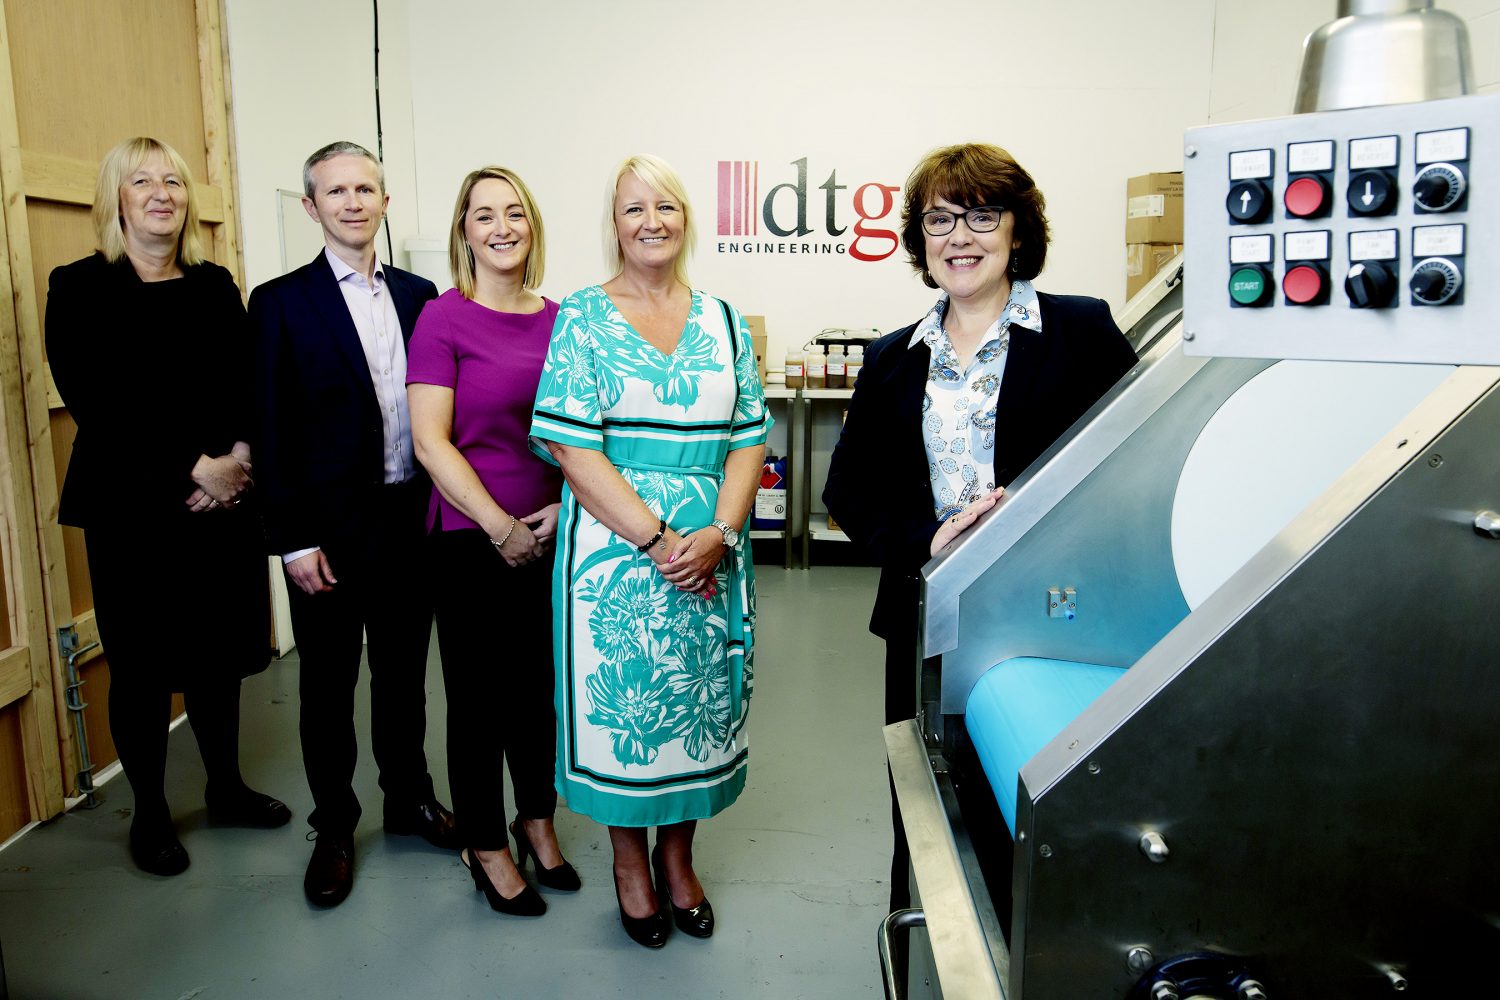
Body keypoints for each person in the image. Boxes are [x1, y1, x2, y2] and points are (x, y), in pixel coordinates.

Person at [823, 143, 1138, 915]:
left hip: (1053, 617)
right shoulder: (893, 358)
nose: (960, 236)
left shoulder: (1081, 330)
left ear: (1017, 232)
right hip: (929, 613)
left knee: (1030, 790)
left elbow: (1135, 459)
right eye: (940, 219)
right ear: (921, 241)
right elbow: (848, 490)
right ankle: (921, 940)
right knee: (924, 801)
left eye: (981, 215)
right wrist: (924, 541)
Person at [529, 154, 769, 948]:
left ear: (685, 218)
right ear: (615, 224)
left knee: (697, 713)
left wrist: (722, 532)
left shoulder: (726, 319)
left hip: (713, 551)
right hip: (616, 556)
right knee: (626, 721)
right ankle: (631, 870)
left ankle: (679, 862)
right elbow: (572, 449)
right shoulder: (583, 318)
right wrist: (662, 539)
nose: (651, 221)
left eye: (664, 205)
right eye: (634, 209)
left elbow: (746, 438)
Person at [46, 136, 289, 877]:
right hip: (132, 508)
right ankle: (149, 812)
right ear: (116, 198)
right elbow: (97, 400)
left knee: (216, 658)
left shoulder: (217, 285)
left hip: (222, 505)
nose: (161, 193)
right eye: (143, 180)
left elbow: (253, 381)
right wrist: (194, 466)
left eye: (174, 181)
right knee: (143, 666)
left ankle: (225, 787)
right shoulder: (79, 287)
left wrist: (240, 460)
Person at [249, 141, 457, 909]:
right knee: (327, 690)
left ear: (384, 200)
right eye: (335, 192)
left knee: (404, 678)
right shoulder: (278, 302)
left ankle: (409, 801)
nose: (352, 202)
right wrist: (292, 539)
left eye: (365, 188)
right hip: (328, 534)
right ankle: (335, 825)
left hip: (409, 518)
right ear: (312, 207)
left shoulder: (419, 292)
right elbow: (270, 428)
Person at [407, 167, 573, 917]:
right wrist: (500, 526)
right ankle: (486, 843)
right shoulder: (444, 319)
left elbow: (588, 437)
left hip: (555, 535)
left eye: (514, 213)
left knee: (539, 694)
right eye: (484, 216)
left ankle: (535, 818)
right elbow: (430, 443)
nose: (501, 227)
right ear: (464, 232)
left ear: (531, 226)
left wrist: (565, 509)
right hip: (469, 538)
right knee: (477, 700)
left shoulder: (564, 320)